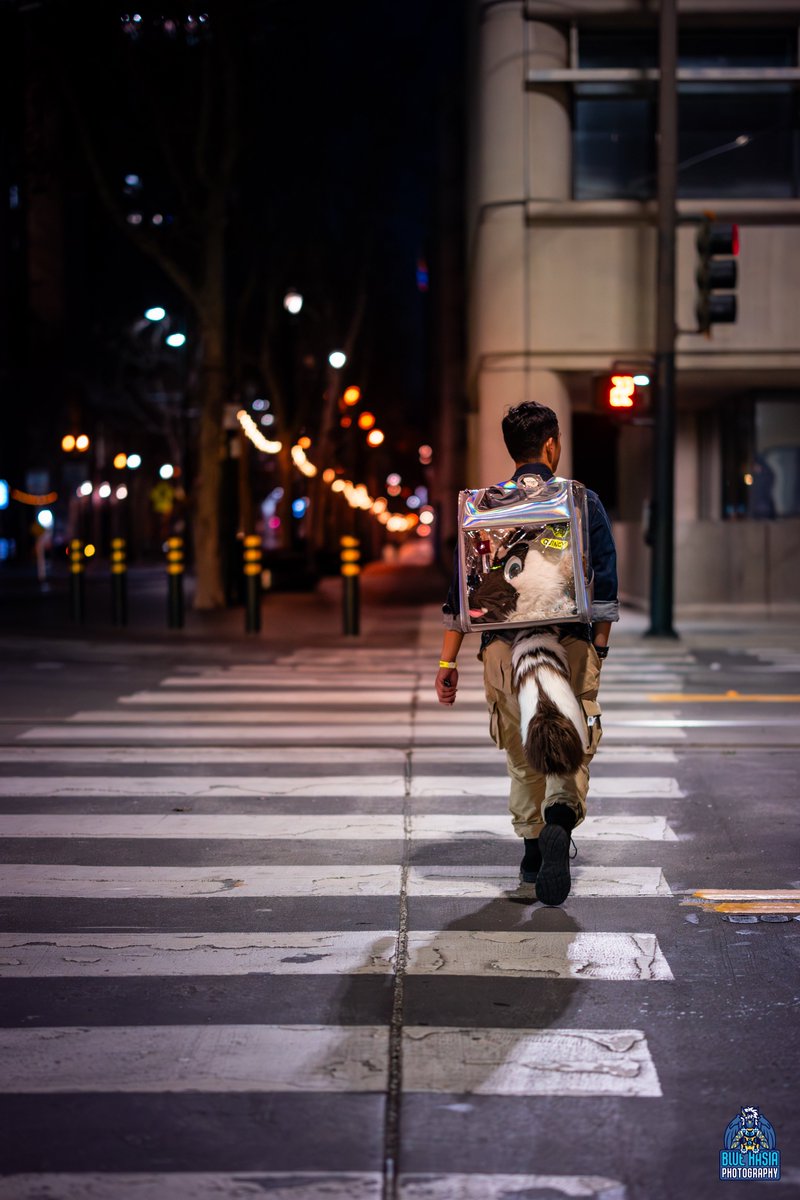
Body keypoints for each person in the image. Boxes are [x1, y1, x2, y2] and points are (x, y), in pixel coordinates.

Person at [435, 400, 619, 906]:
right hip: (570, 642)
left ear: (511, 450)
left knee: (521, 751)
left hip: (502, 649)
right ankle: (562, 818)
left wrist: (447, 663)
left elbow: (461, 596)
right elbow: (604, 587)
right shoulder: (581, 501)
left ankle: (533, 855)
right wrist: (596, 650)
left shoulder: (481, 507)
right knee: (573, 737)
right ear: (551, 445)